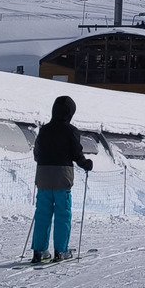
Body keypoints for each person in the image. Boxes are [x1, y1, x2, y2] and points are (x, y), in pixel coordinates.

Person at [30, 95, 94, 263]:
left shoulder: (44, 130)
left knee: (42, 213)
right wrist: (86, 164)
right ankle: (60, 251)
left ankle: (39, 251)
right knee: (62, 214)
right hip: (62, 177)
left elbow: (37, 154)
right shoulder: (71, 131)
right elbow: (76, 154)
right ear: (70, 113)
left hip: (43, 176)